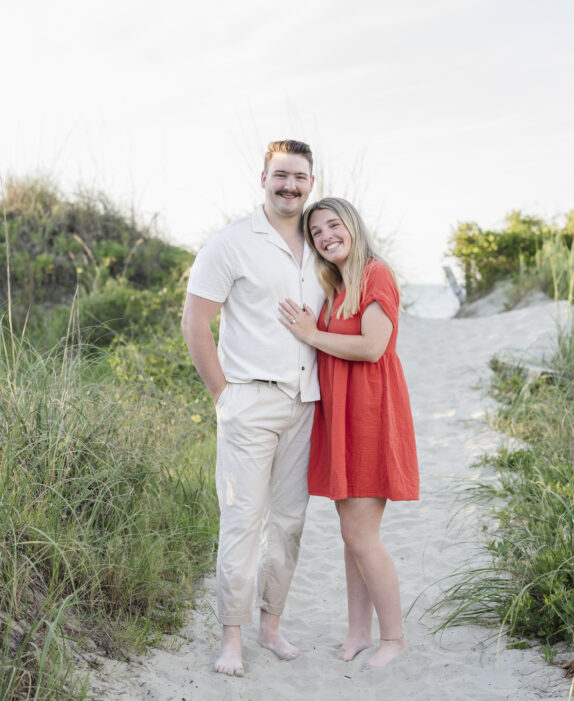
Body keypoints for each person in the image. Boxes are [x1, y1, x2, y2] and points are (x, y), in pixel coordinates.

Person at [181, 139, 325, 677]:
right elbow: (195, 323)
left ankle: (271, 626)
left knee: (289, 522)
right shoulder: (231, 243)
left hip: (306, 402)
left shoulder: (320, 241)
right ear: (262, 177)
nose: (290, 185)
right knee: (242, 520)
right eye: (281, 175)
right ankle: (232, 640)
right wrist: (225, 397)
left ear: (312, 181)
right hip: (249, 400)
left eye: (300, 177)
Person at [277, 197, 419, 669]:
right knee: (350, 534)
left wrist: (310, 334)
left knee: (362, 534)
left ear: (353, 227)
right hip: (339, 416)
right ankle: (359, 631)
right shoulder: (335, 285)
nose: (325, 236)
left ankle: (394, 640)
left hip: (370, 414)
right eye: (316, 232)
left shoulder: (376, 273)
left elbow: (374, 346)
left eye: (333, 226)